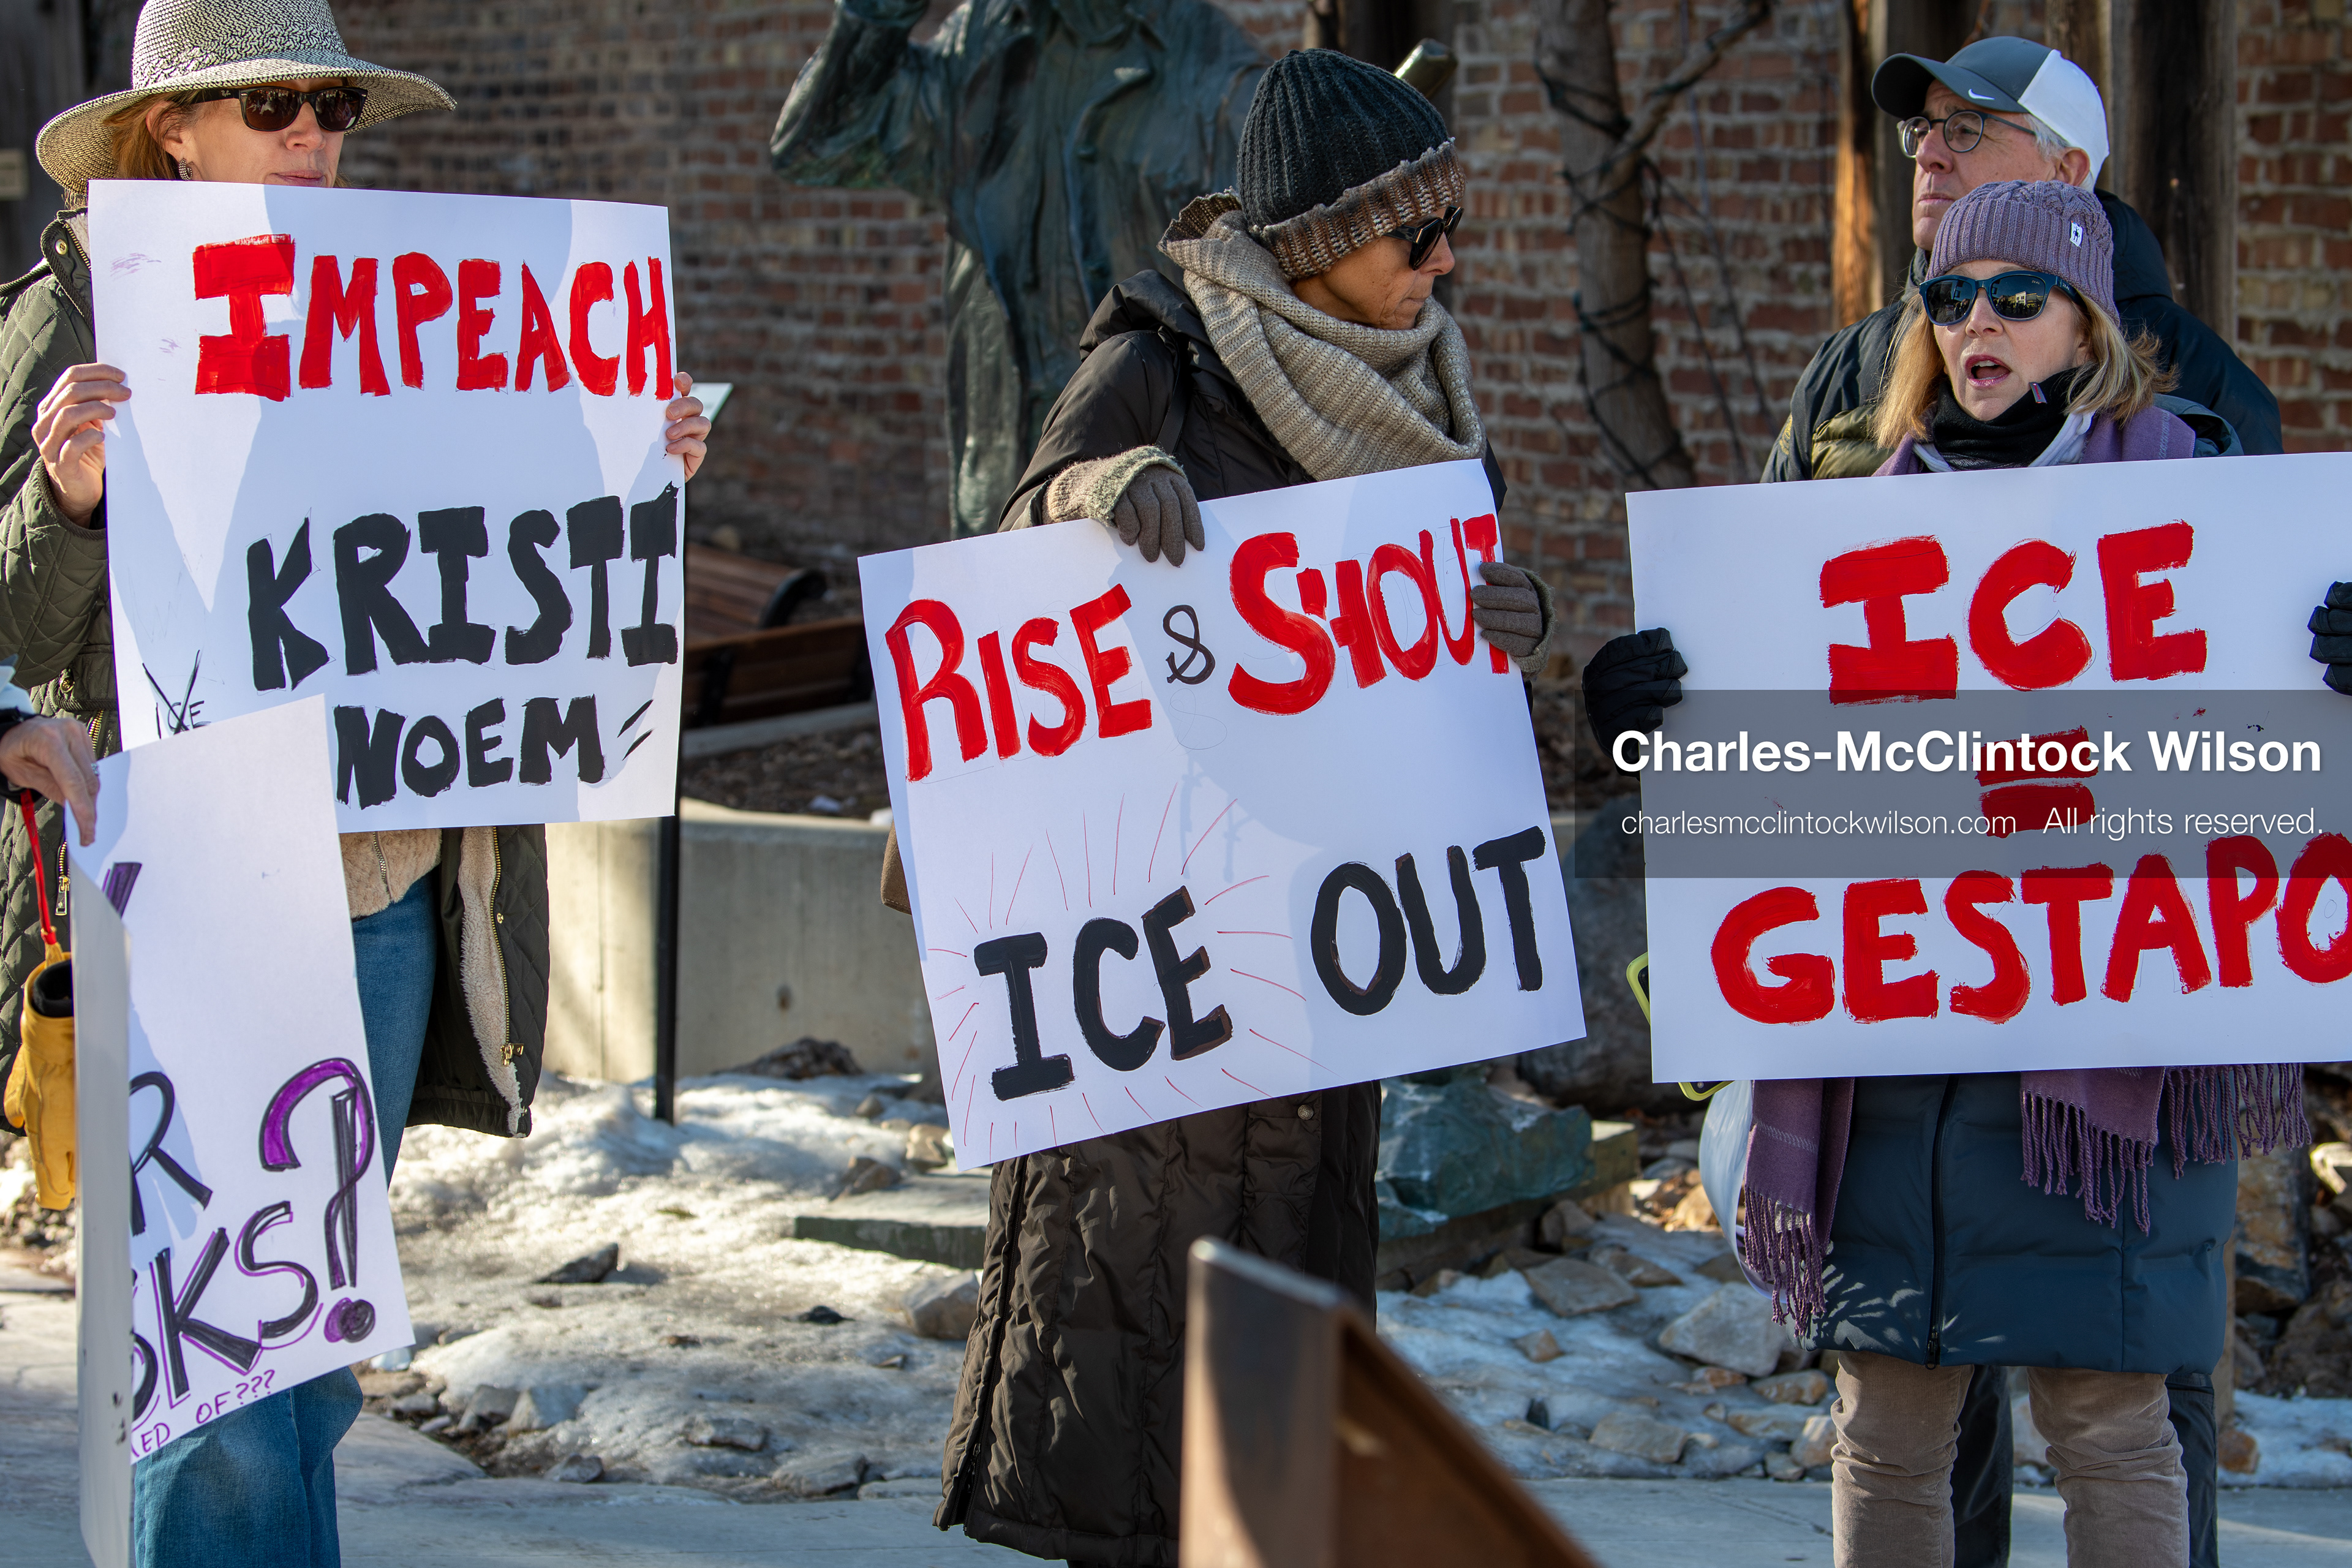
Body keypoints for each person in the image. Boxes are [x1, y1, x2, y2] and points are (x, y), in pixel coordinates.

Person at [6, 1, 712, 1562]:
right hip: (193, 893)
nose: (313, 132)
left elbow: (499, 534)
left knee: (309, 1349)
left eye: (330, 103)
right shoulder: (76, 319)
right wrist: (66, 498)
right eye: (269, 106)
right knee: (225, 1373)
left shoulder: (431, 300)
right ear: (170, 133)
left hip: (384, 889)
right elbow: (12, 632)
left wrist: (627, 466)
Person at [1612, 179, 2307, 1568]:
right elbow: (1764, 780)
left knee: (2108, 1420)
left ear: (2085, 320)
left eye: (2014, 294)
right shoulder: (1845, 522)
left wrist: (2322, 667)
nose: (1973, 322)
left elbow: (2265, 766)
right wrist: (1648, 719)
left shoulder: (2192, 495)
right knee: (1884, 1425)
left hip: (2101, 1066)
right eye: (1945, 296)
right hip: (1889, 1062)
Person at [932, 50, 1552, 1566]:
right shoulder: (1168, 351)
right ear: (1316, 240)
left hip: (1314, 958)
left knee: (1280, 1344)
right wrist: (1100, 486)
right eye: (1415, 233)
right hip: (1154, 957)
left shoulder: (1418, 392)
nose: (1443, 261)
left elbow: (1401, 662)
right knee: (1130, 1326)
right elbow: (1020, 525)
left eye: (1449, 225)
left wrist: (1491, 621)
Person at [772, 0, 1268, 538]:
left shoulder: (1219, 73)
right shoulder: (984, 39)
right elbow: (815, 145)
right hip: (1003, 465)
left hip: (1146, 494)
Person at [1763, 36, 2280, 484]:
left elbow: (2253, 572)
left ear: (2066, 170)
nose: (1928, 154)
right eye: (1924, 129)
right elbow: (1772, 573)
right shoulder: (1842, 368)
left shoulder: (2206, 387)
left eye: (1966, 128)